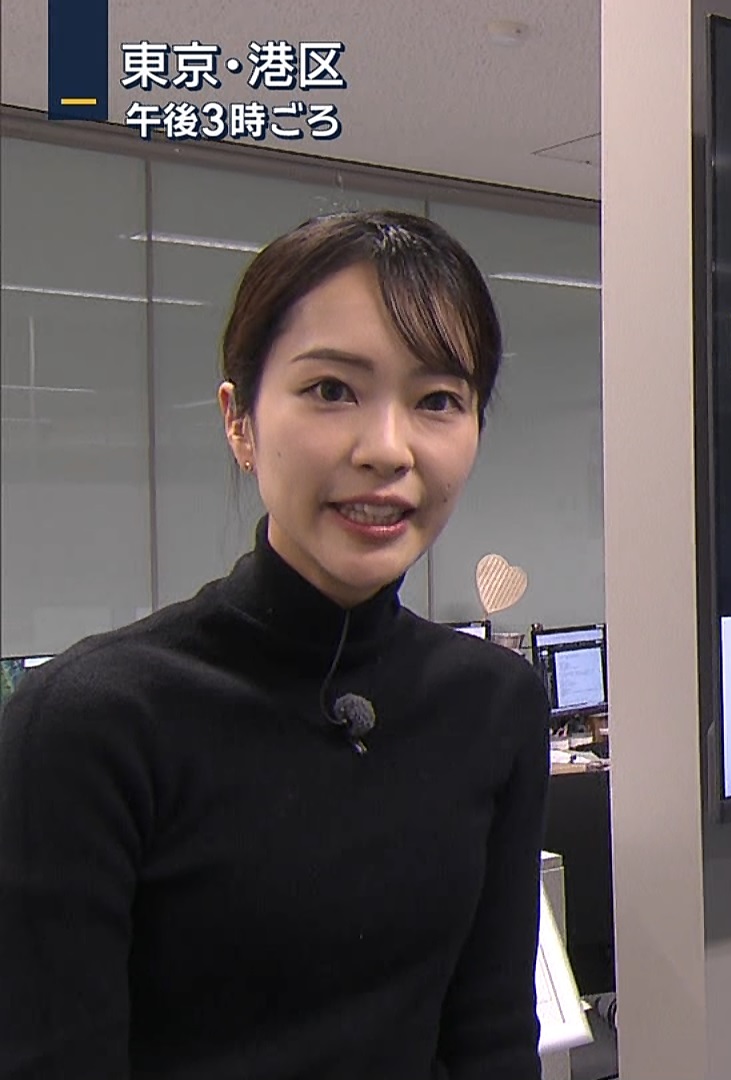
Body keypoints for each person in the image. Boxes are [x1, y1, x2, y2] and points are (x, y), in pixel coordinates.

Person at [0, 210, 553, 1080]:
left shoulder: (493, 703)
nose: (388, 449)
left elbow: (490, 1041)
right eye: (331, 390)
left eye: (438, 400)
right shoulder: (91, 726)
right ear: (240, 422)